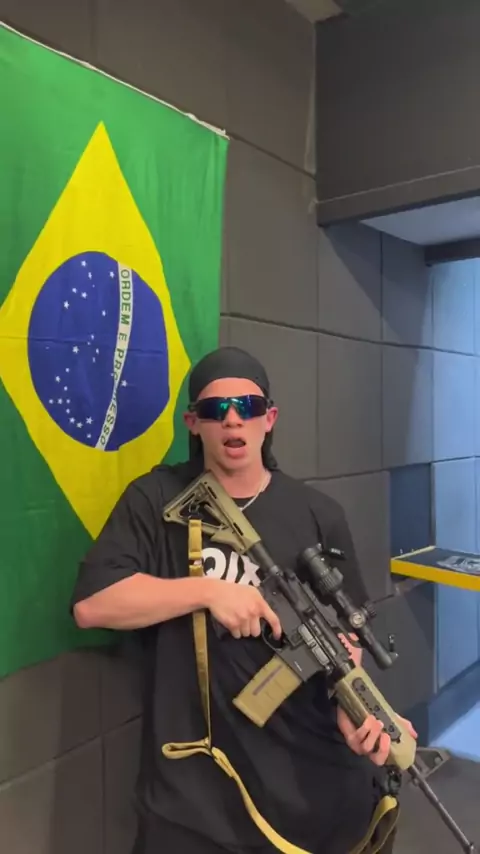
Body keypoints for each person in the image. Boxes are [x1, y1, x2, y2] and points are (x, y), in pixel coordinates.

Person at [71, 346, 416, 854]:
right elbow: (93, 605)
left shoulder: (317, 513)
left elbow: (348, 632)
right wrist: (208, 591)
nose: (233, 420)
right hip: (193, 796)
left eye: (248, 407)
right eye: (216, 409)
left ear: (269, 418)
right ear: (193, 423)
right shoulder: (156, 501)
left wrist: (351, 706)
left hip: (306, 787)